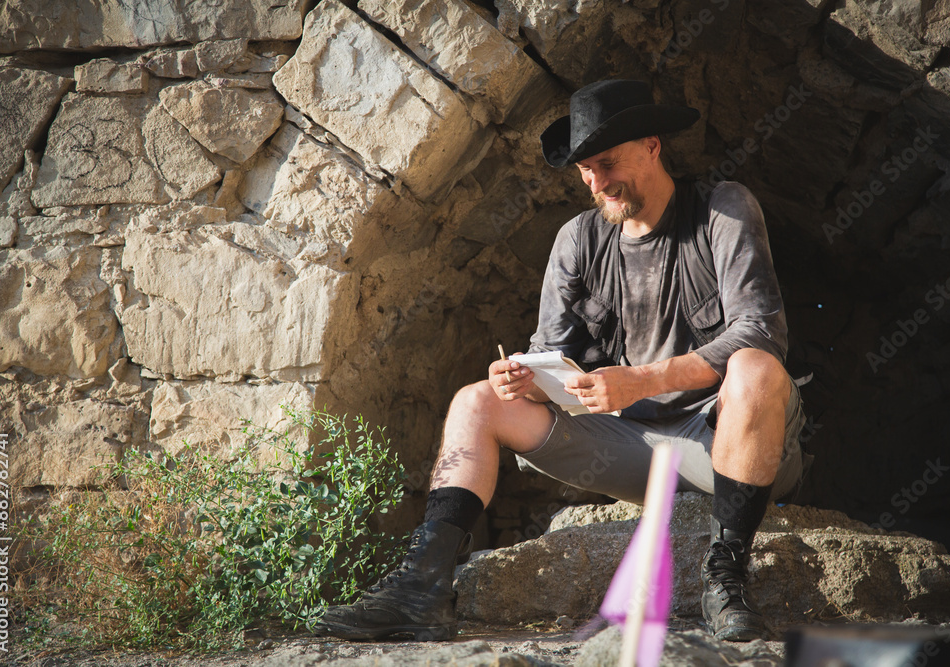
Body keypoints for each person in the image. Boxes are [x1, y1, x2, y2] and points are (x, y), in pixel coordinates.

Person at [313, 79, 811, 643]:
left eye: (607, 163)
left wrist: (642, 380)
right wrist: (525, 380)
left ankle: (725, 580)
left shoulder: (723, 207)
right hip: (636, 450)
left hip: (732, 443)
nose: (597, 183)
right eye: (585, 171)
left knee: (756, 367)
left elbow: (761, 329)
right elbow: (554, 357)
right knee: (476, 401)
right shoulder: (577, 239)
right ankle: (423, 587)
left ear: (652, 144)